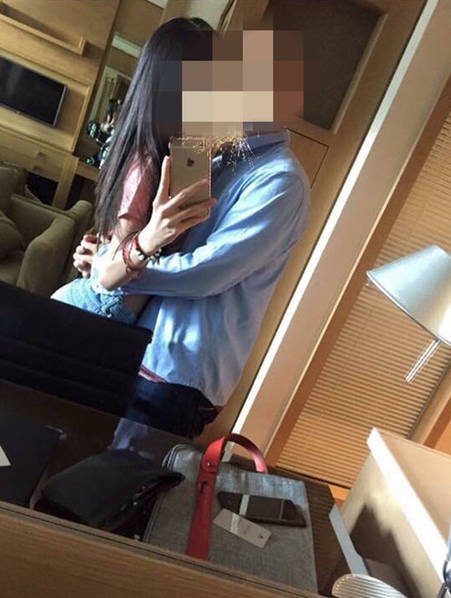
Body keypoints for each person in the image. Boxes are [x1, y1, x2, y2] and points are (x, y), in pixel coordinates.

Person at [59, 18, 310, 441]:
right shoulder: (216, 156)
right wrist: (111, 252)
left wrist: (115, 269)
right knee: (73, 454)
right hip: (138, 347)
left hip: (177, 374)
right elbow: (159, 239)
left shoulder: (279, 180)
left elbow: (206, 272)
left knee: (120, 477)